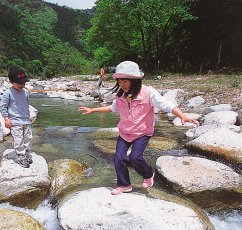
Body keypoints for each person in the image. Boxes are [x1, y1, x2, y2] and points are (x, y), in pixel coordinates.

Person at [78, 61, 199, 195]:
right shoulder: (121, 96)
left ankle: (148, 173)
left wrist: (182, 116)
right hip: (125, 132)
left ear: (134, 80)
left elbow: (167, 105)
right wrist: (93, 109)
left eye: (125, 81)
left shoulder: (148, 93)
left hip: (143, 132)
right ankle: (124, 185)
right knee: (118, 158)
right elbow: (112, 108)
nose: (121, 85)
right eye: (119, 81)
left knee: (135, 157)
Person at [0, 68, 34, 168]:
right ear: (11, 82)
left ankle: (27, 152)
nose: (22, 85)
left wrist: (29, 115)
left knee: (28, 137)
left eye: (23, 83)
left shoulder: (25, 92)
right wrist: (6, 118)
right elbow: (3, 106)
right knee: (18, 139)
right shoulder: (8, 92)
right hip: (15, 121)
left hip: (26, 120)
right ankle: (20, 155)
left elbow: (26, 104)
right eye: (19, 83)